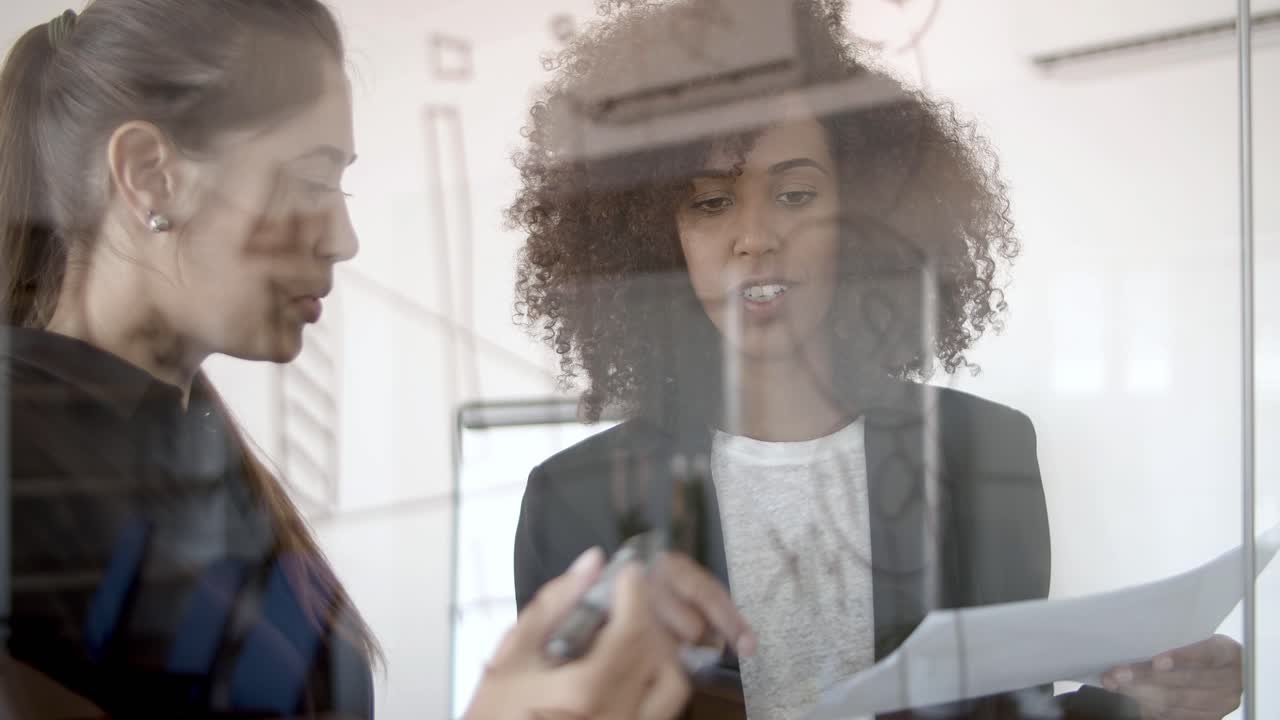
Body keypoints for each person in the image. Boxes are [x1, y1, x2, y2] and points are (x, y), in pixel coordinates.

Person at [508, 1, 1244, 718]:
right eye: (710, 204)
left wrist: (1143, 707)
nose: (756, 236)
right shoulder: (575, 502)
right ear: (652, 238)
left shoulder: (982, 452)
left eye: (795, 194)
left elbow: (1011, 712)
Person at [0, 2, 697, 718]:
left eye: (341, 186)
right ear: (150, 175)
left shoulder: (192, 453)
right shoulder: (21, 457)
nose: (343, 238)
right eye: (309, 183)